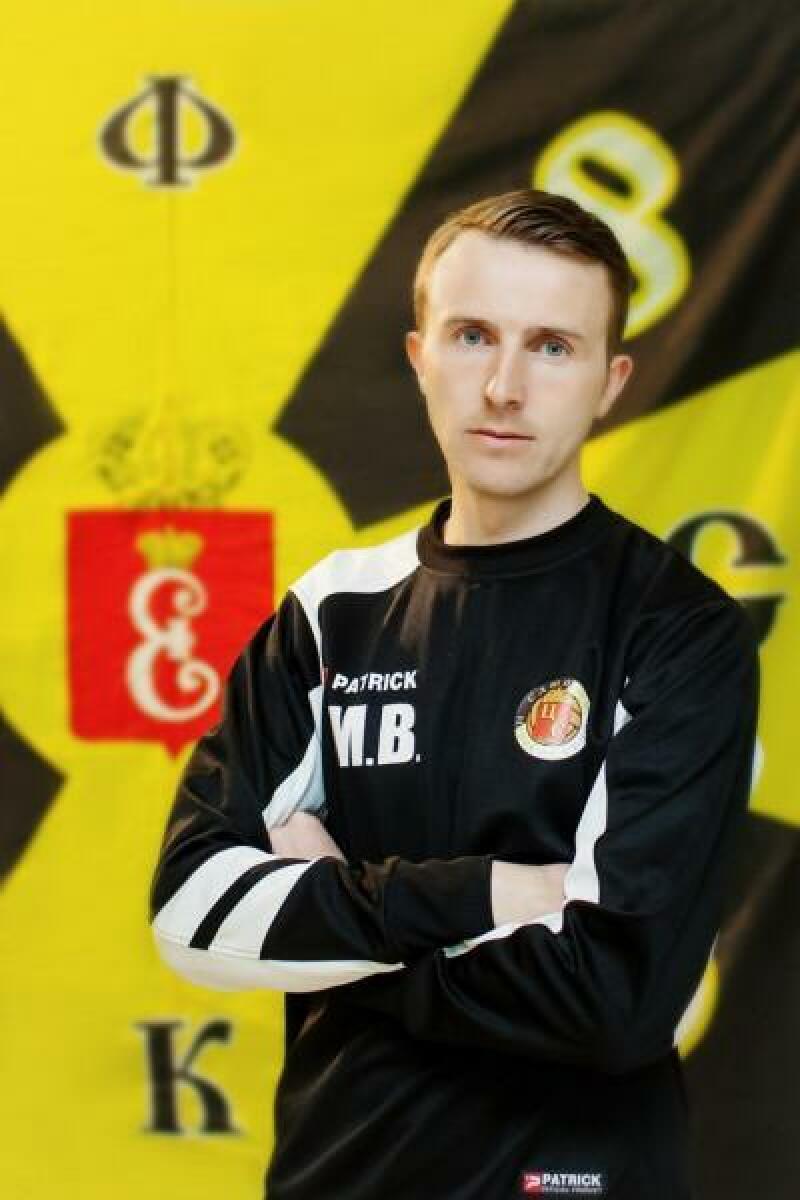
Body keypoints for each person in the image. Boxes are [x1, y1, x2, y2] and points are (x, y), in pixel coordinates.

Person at [148, 188, 760, 1199]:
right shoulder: (331, 612)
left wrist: (338, 906)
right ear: (419, 355)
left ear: (609, 382)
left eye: (551, 347)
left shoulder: (675, 629)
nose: (505, 387)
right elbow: (193, 914)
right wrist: (491, 894)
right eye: (472, 336)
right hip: (337, 1176)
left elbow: (615, 1001)